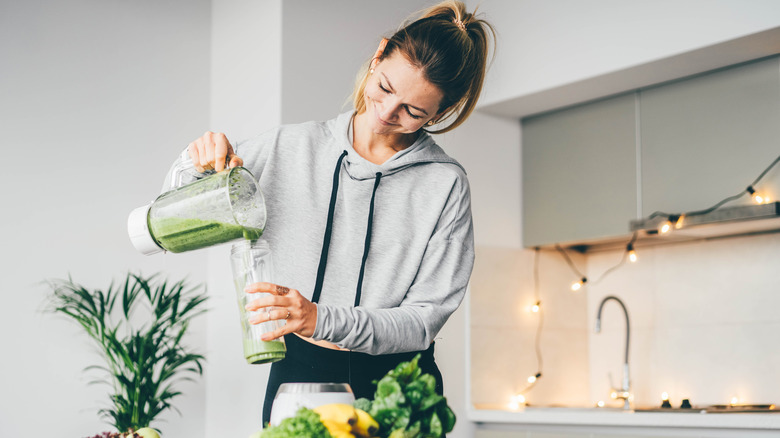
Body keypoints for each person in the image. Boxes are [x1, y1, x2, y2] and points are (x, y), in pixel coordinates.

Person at [174, 0, 495, 425]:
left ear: (442, 112)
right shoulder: (287, 148)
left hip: (400, 385)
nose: (385, 113)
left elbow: (422, 321)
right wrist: (196, 162)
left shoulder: (444, 184)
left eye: (413, 112)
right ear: (379, 54)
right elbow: (176, 214)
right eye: (384, 87)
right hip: (299, 374)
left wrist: (318, 318)